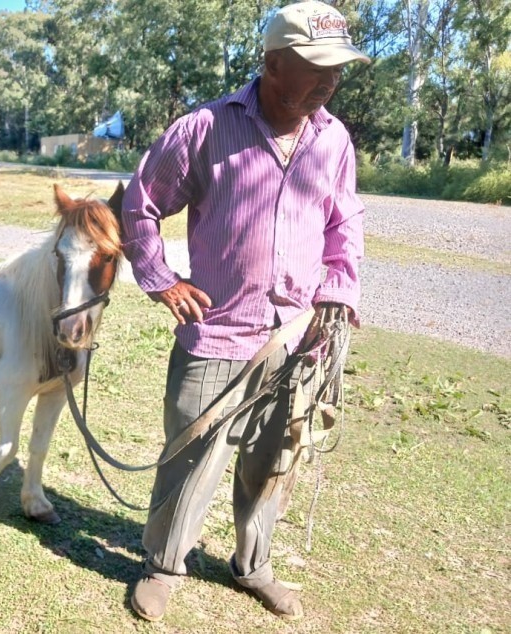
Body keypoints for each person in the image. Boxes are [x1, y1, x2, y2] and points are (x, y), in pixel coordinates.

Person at [119, 1, 369, 623]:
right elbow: (140, 204)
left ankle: (253, 565)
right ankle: (162, 566)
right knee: (191, 460)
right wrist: (161, 281)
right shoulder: (204, 128)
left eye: (338, 67)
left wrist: (339, 291)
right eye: (317, 66)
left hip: (299, 338)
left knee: (273, 461)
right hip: (217, 333)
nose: (331, 79)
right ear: (274, 63)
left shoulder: (333, 139)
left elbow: (344, 224)